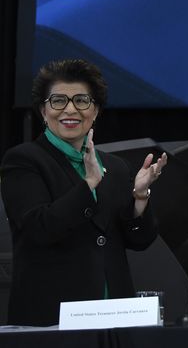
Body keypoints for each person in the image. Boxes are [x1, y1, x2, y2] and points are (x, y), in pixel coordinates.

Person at [0, 59, 166, 326]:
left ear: (96, 110)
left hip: (114, 314)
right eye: (58, 101)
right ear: (43, 111)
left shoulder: (115, 166)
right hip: (51, 315)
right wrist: (88, 183)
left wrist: (140, 197)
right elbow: (40, 228)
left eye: (81, 100)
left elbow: (140, 241)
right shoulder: (23, 160)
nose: (70, 109)